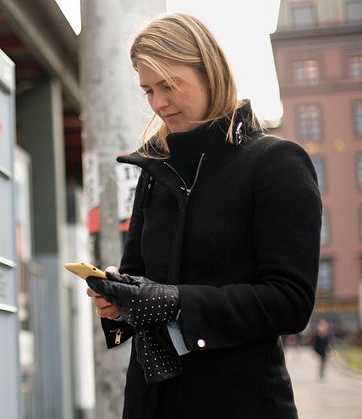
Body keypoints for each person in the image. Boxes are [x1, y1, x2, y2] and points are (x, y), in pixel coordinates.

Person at [85, 13, 322, 419]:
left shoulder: (276, 163)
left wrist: (174, 302)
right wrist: (119, 300)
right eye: (148, 91)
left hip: (239, 403)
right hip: (150, 403)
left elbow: (290, 302)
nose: (158, 104)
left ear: (210, 72)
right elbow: (139, 275)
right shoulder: (156, 172)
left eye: (169, 86)